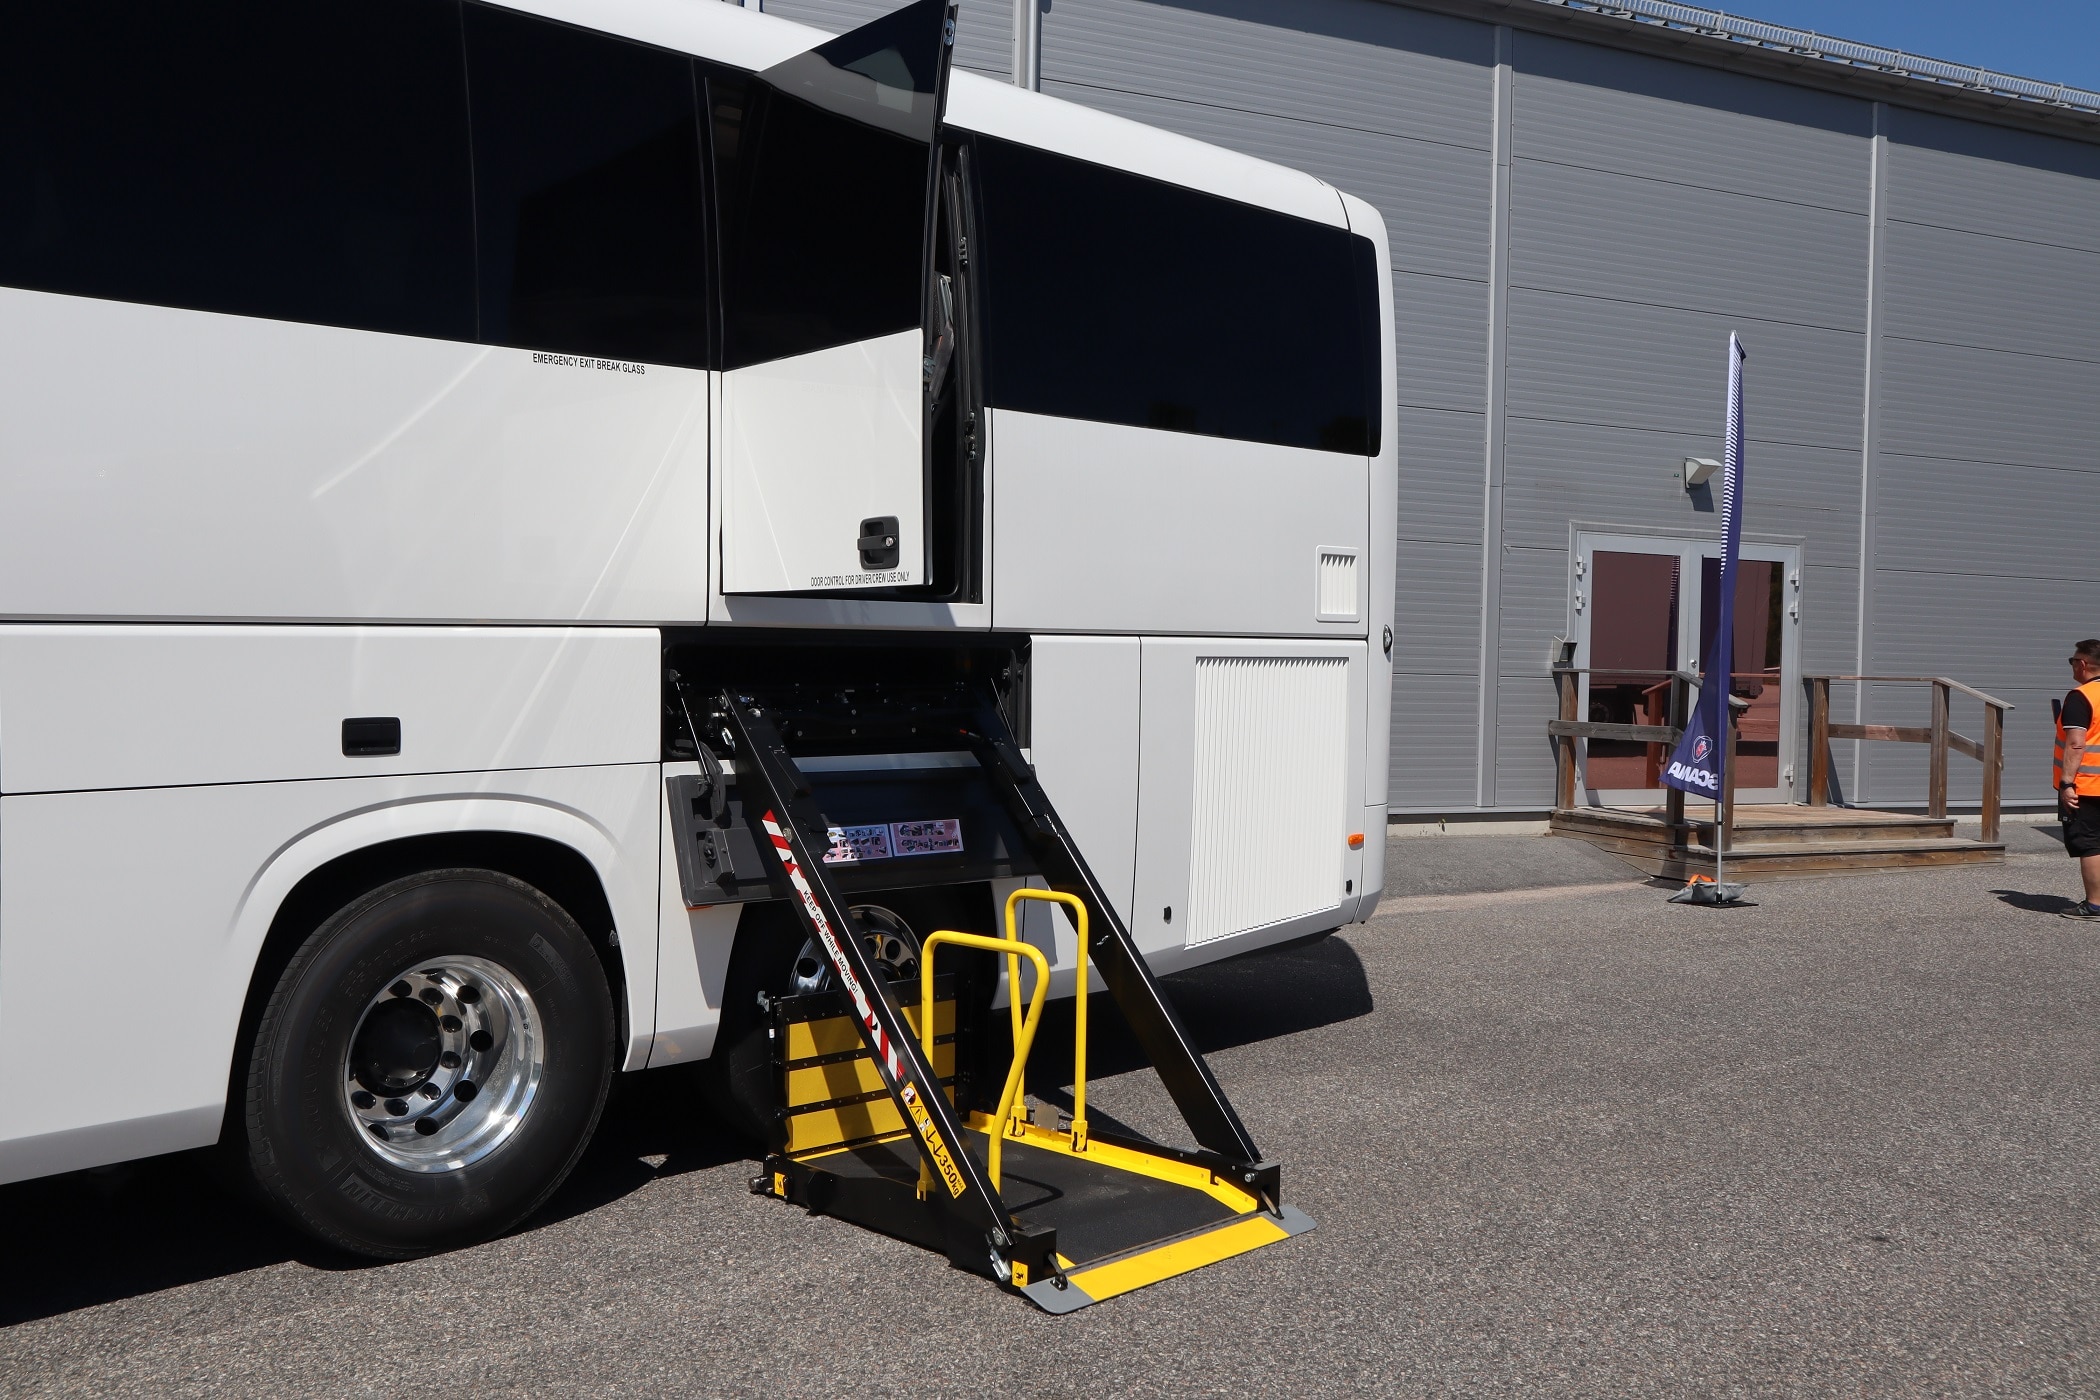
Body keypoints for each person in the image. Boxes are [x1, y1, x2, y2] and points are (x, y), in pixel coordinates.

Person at [2056, 639, 2100, 918]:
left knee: (2091, 843)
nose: (2072, 666)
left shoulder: (2080, 696)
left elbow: (2075, 744)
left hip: (2088, 785)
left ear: (2082, 664)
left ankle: (2095, 904)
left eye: (2073, 661)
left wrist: (2066, 783)